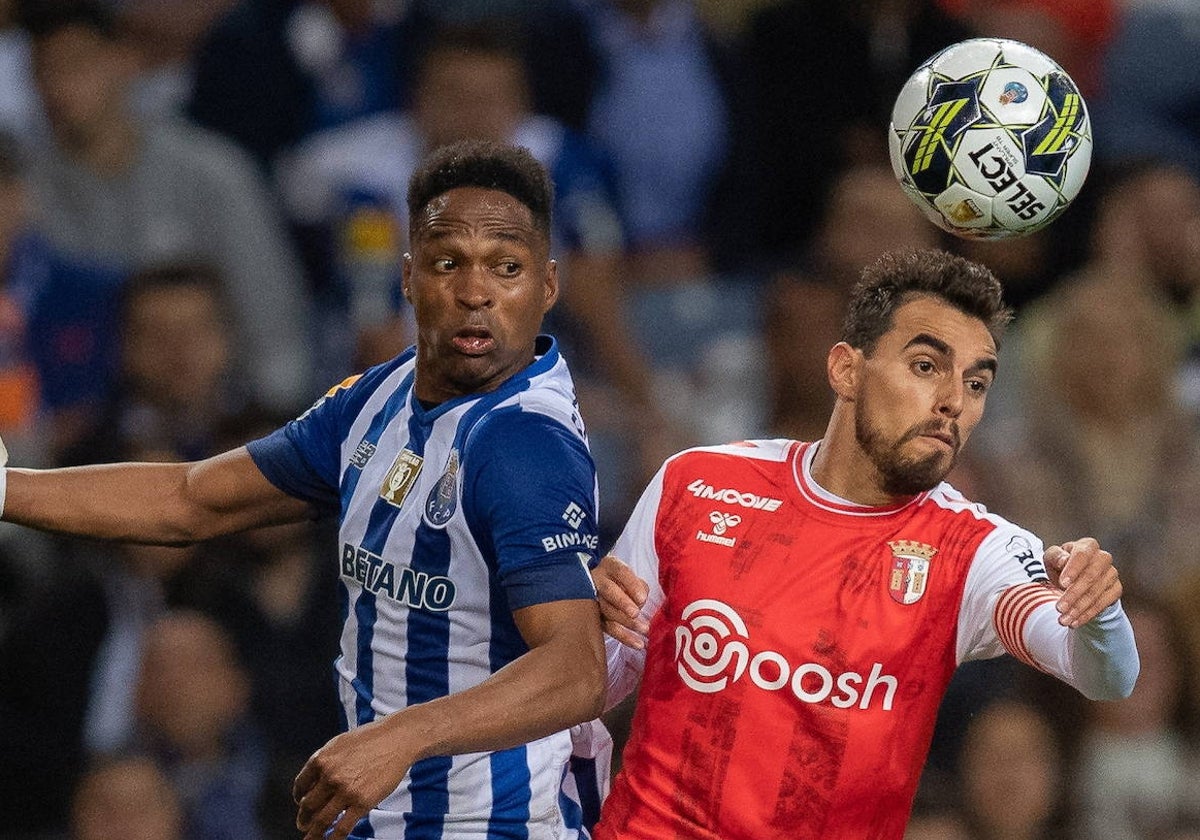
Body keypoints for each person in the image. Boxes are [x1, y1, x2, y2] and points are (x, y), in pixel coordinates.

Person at [0, 140, 607, 840]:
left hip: (491, 825)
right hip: (383, 816)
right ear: (409, 277)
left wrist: (401, 736)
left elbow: (574, 669)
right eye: (449, 263)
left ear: (548, 286)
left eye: (507, 268)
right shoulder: (375, 399)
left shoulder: (521, 442)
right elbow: (191, 499)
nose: (476, 293)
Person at [590, 248, 1139, 839]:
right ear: (846, 370)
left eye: (976, 382)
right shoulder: (696, 484)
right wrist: (582, 614)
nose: (955, 400)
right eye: (927, 366)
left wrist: (1097, 613)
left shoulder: (975, 551)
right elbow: (596, 680)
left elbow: (1106, 678)